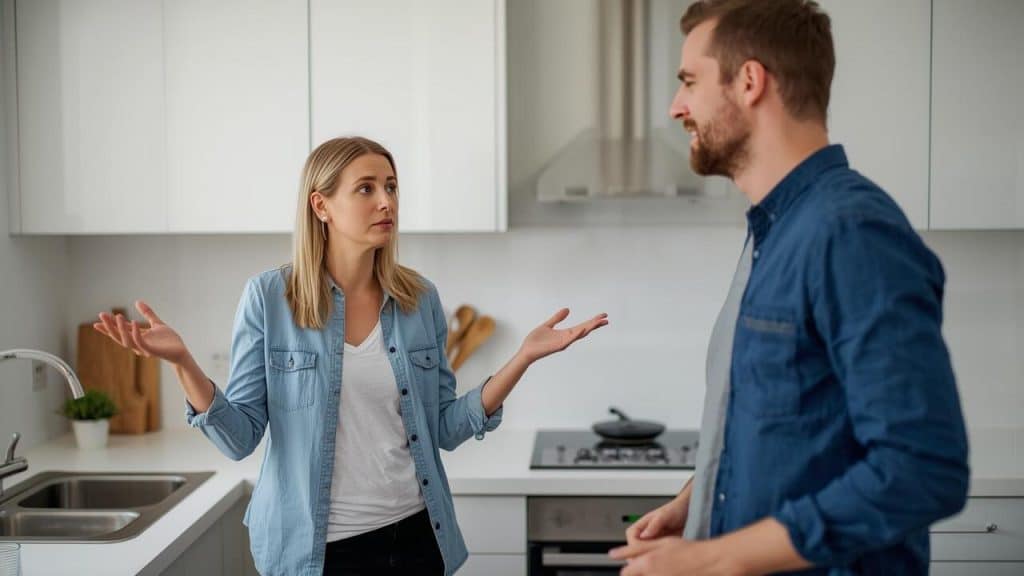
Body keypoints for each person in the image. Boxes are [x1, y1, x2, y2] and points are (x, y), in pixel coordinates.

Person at [94, 136, 608, 575]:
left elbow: (446, 428)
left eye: (390, 186)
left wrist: (522, 358)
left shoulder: (418, 298)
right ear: (322, 206)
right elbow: (240, 438)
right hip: (316, 551)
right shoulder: (270, 298)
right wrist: (184, 362)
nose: (386, 201)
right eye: (366, 188)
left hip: (416, 537)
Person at [610, 1, 969, 574]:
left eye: (689, 82)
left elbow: (923, 468)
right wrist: (697, 503)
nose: (677, 106)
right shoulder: (775, 230)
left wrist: (714, 557)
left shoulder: (850, 233)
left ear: (750, 81)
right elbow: (786, 424)